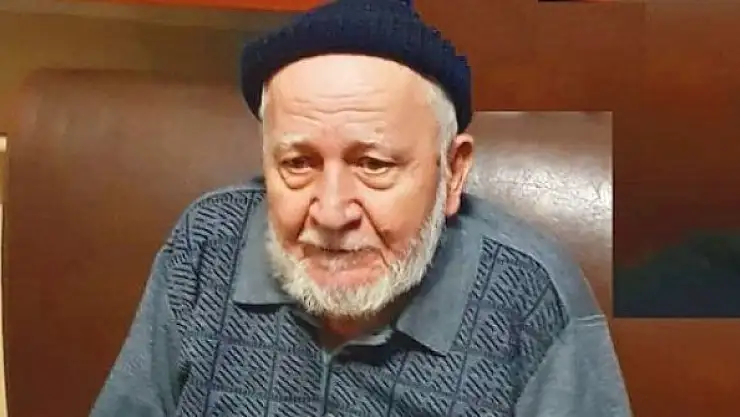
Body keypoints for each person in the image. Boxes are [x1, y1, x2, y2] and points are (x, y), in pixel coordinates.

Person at [90, 0, 632, 415]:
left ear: (453, 171)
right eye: (298, 163)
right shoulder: (207, 245)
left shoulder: (531, 297)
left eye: (373, 165)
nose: (331, 213)